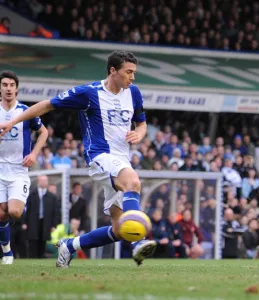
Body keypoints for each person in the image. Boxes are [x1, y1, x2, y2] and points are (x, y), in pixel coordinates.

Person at [0, 51, 157, 267]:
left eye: (134, 73)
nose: (132, 77)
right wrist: (13, 122)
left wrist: (139, 133)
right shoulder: (89, 93)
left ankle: (70, 246)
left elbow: (141, 122)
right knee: (133, 182)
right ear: (113, 71)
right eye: (128, 72)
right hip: (99, 156)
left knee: (120, 229)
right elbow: (47, 105)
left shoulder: (134, 93)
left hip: (121, 161)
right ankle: (139, 241)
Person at [0, 70, 48, 264]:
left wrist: (34, 153)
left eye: (12, 85)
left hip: (19, 170)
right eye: (5, 85)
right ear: (0, 88)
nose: (8, 88)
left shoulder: (26, 111)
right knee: (1, 213)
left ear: (17, 88)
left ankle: (17, 200)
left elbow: (43, 132)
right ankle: (7, 251)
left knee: (15, 212)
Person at [23, 175, 58, 258]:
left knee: (43, 241)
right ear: (39, 181)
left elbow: (55, 212)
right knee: (33, 241)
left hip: (46, 222)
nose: (44, 182)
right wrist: (24, 222)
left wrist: (54, 225)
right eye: (42, 180)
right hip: (33, 222)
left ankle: (41, 258)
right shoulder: (31, 195)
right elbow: (26, 209)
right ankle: (32, 259)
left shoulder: (52, 197)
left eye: (45, 180)